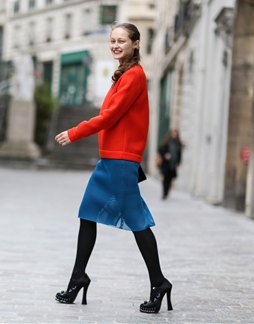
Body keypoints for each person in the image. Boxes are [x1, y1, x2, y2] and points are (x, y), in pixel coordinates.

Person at [54, 22, 173, 314]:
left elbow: (108, 117)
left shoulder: (134, 76)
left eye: (122, 40)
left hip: (121, 161)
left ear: (135, 43)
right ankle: (78, 278)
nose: (116, 45)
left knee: (137, 222)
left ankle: (159, 283)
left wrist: (75, 132)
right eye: (112, 41)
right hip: (110, 160)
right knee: (87, 214)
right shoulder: (123, 75)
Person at [158, 129, 183, 200]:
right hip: (166, 164)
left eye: (175, 134)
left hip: (173, 165)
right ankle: (164, 193)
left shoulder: (178, 144)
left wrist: (178, 162)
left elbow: (179, 154)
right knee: (165, 179)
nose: (174, 135)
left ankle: (167, 192)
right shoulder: (166, 142)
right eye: (173, 133)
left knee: (170, 179)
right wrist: (165, 155)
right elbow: (160, 150)